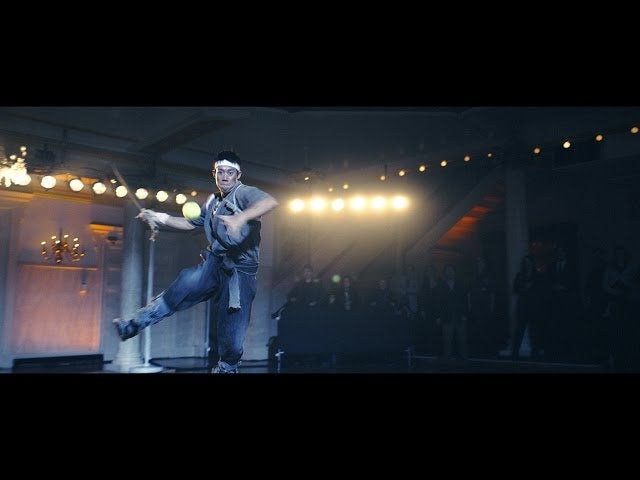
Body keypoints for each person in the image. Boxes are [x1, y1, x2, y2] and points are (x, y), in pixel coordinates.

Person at [113, 151, 279, 373]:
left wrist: (241, 217)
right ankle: (133, 325)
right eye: (220, 172)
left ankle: (227, 368)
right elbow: (191, 223)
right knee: (180, 289)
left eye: (230, 172)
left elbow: (270, 202)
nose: (225, 177)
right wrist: (161, 217)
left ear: (238, 175)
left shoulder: (243, 193)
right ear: (214, 174)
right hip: (214, 263)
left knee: (232, 335)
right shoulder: (213, 200)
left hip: (239, 273)